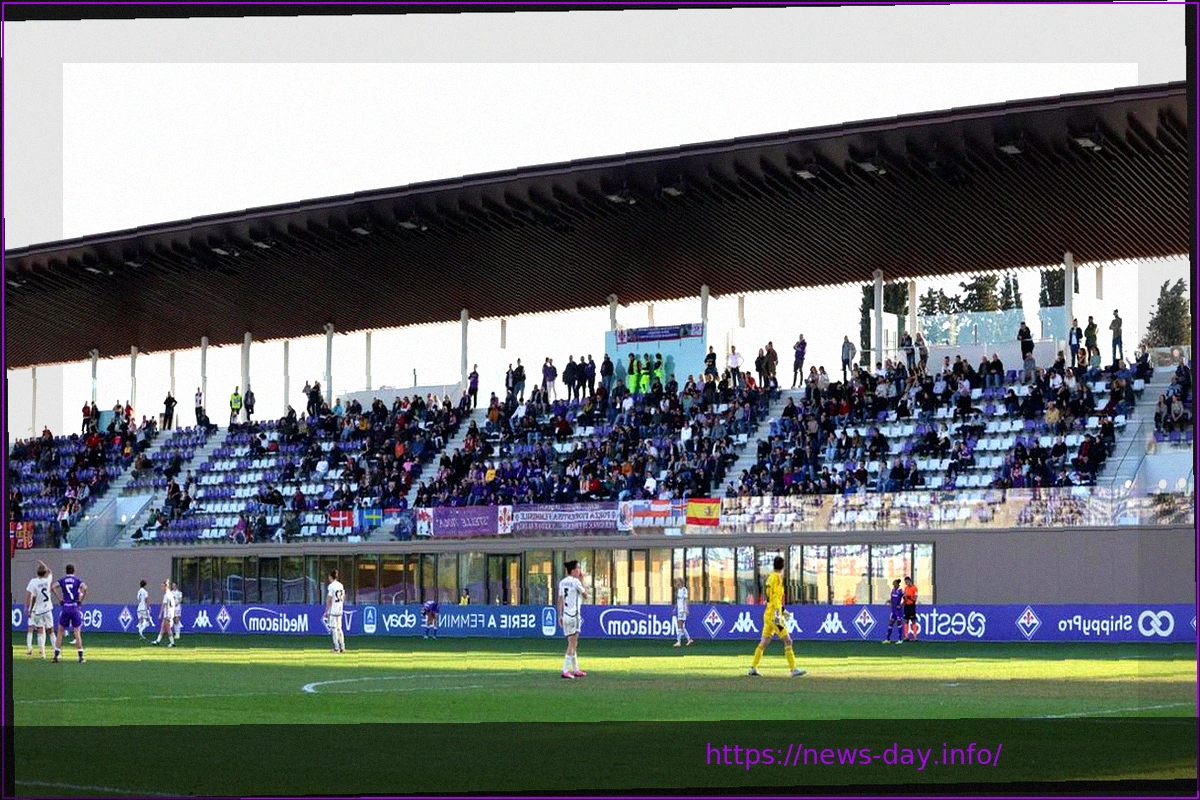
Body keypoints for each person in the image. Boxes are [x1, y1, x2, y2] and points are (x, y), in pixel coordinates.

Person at [748, 557, 804, 678]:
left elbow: (773, 599)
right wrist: (779, 613)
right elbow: (773, 598)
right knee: (788, 640)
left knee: (764, 642)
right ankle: (793, 669)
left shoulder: (773, 578)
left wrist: (783, 611)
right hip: (775, 616)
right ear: (783, 566)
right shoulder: (776, 578)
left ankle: (753, 667)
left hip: (769, 614)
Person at [51, 563, 87, 663]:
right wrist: (81, 600)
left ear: (66, 571)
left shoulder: (62, 580)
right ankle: (80, 657)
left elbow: (53, 587)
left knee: (60, 632)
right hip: (74, 607)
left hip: (66, 607)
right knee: (77, 632)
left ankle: (56, 656)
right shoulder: (77, 581)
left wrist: (59, 599)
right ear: (73, 571)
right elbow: (85, 588)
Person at [557, 559, 587, 678]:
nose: (580, 571)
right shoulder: (576, 582)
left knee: (572, 642)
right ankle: (565, 670)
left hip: (565, 616)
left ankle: (576, 669)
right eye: (578, 568)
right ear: (573, 570)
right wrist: (582, 581)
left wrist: (559, 615)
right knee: (573, 643)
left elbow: (560, 600)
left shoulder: (562, 582)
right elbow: (585, 595)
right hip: (574, 616)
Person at [25, 560, 53, 658]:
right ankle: (56, 651)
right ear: (45, 573)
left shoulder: (33, 582)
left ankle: (41, 652)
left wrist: (27, 607)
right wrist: (43, 564)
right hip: (48, 609)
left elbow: (29, 595)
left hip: (37, 611)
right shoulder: (47, 580)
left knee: (38, 630)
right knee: (51, 630)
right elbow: (50, 572)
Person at [324, 568, 346, 653]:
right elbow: (343, 596)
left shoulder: (331, 586)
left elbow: (329, 598)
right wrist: (341, 604)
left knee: (334, 628)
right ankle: (343, 647)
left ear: (330, 577)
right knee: (339, 628)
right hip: (340, 608)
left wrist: (326, 610)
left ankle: (336, 647)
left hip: (333, 609)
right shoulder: (340, 585)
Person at [152, 579, 175, 647]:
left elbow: (164, 605)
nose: (161, 588)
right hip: (171, 612)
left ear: (166, 587)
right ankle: (158, 641)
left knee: (167, 628)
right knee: (163, 627)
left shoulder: (166, 595)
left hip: (167, 613)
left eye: (162, 586)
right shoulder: (170, 594)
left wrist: (160, 613)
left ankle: (172, 642)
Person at [673, 577, 693, 647]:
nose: (676, 583)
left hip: (682, 610)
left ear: (681, 582)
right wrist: (675, 608)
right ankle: (689, 639)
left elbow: (686, 600)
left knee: (679, 624)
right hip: (679, 609)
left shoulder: (684, 590)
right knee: (682, 626)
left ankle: (678, 641)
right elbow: (678, 601)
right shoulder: (678, 590)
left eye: (677, 581)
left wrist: (686, 609)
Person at [883, 579, 903, 644]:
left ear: (897, 584)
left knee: (899, 623)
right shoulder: (893, 590)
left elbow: (905, 599)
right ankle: (888, 639)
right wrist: (889, 601)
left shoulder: (900, 591)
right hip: (893, 610)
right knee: (890, 623)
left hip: (898, 611)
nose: (893, 585)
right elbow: (892, 598)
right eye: (893, 584)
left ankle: (900, 639)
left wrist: (901, 605)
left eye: (894, 584)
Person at [901, 576, 919, 642]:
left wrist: (909, 597)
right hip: (906, 606)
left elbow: (915, 599)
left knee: (913, 620)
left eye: (907, 582)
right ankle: (906, 636)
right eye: (905, 582)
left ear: (909, 581)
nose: (906, 583)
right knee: (906, 620)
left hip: (912, 606)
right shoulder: (906, 588)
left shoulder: (915, 588)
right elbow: (905, 598)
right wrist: (902, 603)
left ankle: (915, 636)